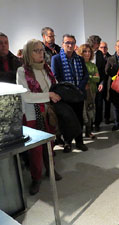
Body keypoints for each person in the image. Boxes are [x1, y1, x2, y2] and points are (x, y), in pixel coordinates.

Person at [16, 39, 62, 195]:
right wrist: (48, 95)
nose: (41, 53)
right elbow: (26, 96)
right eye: (36, 50)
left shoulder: (46, 68)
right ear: (29, 53)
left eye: (42, 50)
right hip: (32, 115)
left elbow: (52, 86)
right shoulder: (22, 71)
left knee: (50, 143)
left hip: (48, 112)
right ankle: (36, 178)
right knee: (35, 149)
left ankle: (50, 169)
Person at [51, 34, 89, 153]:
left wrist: (79, 88)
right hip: (65, 96)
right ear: (62, 44)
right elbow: (56, 76)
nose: (70, 45)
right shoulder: (56, 59)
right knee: (66, 120)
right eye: (67, 42)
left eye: (72, 43)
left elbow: (85, 75)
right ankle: (67, 143)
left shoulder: (80, 59)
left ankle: (79, 142)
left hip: (78, 95)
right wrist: (68, 90)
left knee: (79, 119)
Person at [77, 44, 100, 139]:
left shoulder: (93, 65)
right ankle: (79, 133)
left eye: (89, 51)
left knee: (90, 110)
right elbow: (79, 78)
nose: (87, 53)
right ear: (81, 53)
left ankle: (88, 131)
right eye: (85, 51)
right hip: (81, 92)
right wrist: (91, 77)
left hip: (92, 91)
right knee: (82, 112)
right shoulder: (78, 64)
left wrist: (88, 77)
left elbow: (97, 78)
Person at [105, 40, 119, 131]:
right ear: (115, 47)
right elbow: (106, 71)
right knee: (116, 106)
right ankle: (117, 123)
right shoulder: (110, 59)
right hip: (113, 86)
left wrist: (115, 69)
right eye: (118, 46)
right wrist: (116, 71)